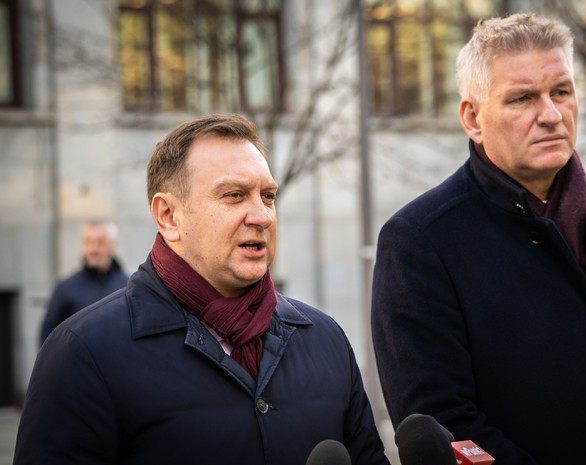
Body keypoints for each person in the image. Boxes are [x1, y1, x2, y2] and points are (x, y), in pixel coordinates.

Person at [371, 13, 586, 465]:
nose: (552, 115)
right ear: (473, 118)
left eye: (561, 91)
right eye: (522, 98)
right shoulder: (418, 242)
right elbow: (444, 422)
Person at [15, 114, 390, 465]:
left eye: (268, 196)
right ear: (168, 216)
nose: (262, 216)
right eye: (234, 195)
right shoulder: (83, 353)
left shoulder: (325, 339)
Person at [40, 220, 129, 344]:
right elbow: (48, 337)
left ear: (113, 245)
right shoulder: (65, 287)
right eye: (88, 242)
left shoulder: (128, 285)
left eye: (100, 243)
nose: (93, 249)